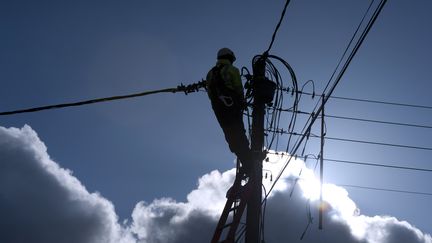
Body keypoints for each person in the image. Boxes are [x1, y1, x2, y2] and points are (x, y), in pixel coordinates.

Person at [206, 48, 252, 175]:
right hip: (232, 106)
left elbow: (210, 94)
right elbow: (238, 87)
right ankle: (249, 161)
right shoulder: (232, 70)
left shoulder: (210, 73)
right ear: (230, 58)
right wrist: (242, 102)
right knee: (238, 131)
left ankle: (245, 160)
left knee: (230, 135)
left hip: (218, 109)